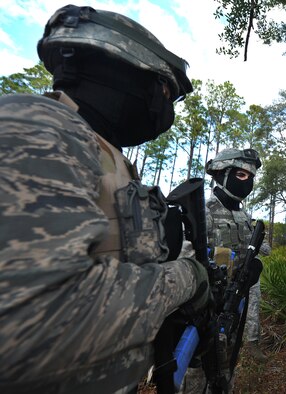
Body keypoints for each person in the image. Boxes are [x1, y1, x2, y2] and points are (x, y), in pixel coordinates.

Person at [0, 5, 211, 394]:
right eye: (165, 91)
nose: (165, 107)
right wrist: (187, 279)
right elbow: (36, 323)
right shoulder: (39, 126)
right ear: (126, 72)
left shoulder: (99, 151)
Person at [183, 148, 270, 392]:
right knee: (197, 377)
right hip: (204, 313)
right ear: (221, 174)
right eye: (241, 175)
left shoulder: (244, 216)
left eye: (251, 177)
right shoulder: (203, 212)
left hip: (233, 310)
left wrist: (255, 267)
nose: (248, 182)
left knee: (226, 372)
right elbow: (184, 263)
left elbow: (261, 250)